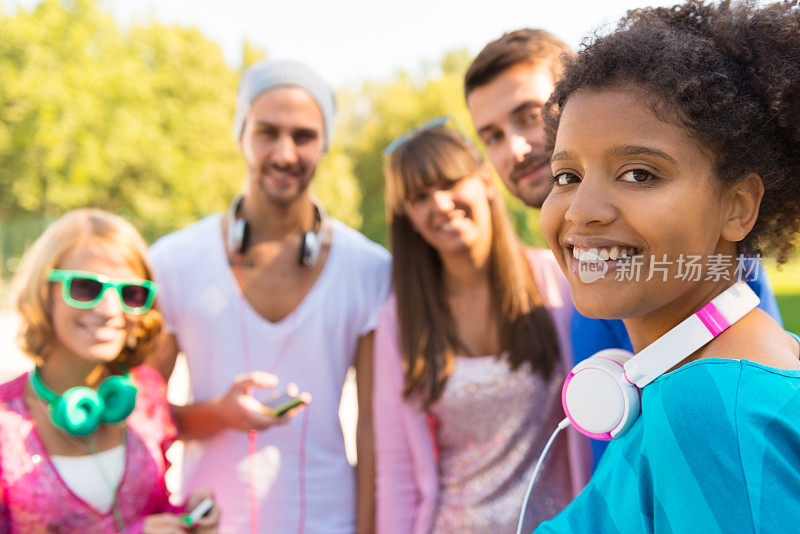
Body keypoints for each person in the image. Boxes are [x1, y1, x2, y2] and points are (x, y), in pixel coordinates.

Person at [464, 26, 784, 469]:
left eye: (529, 116)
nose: (516, 148)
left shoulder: (702, 279)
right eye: (567, 177)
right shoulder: (579, 272)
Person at [535, 0, 800, 531]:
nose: (582, 211)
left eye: (638, 174)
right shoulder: (714, 377)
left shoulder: (712, 408)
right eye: (566, 176)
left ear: (738, 206)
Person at [148, 59, 391, 533]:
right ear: (241, 135)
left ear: (324, 144)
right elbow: (143, 418)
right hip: (208, 521)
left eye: (303, 136)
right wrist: (219, 414)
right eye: (267, 132)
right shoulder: (175, 260)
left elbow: (374, 429)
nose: (284, 152)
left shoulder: (369, 268)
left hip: (331, 521)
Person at [372, 122, 591, 533]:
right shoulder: (399, 319)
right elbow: (396, 469)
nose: (439, 203)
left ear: (486, 182)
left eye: (449, 182)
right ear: (409, 218)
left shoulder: (555, 280)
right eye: (419, 197)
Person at [1, 209, 219, 533]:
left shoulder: (145, 395)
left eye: (131, 293)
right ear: (44, 291)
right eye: (86, 288)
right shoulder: (6, 420)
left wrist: (185, 516)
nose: (109, 310)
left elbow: (151, 509)